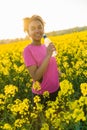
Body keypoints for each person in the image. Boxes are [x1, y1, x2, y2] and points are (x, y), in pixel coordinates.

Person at [23, 15, 60, 105]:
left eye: (40, 27)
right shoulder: (27, 50)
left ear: (43, 29)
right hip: (41, 96)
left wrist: (58, 72)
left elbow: (51, 66)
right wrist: (48, 55)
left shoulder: (46, 46)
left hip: (57, 89)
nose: (37, 30)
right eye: (33, 28)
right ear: (28, 32)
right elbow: (35, 76)